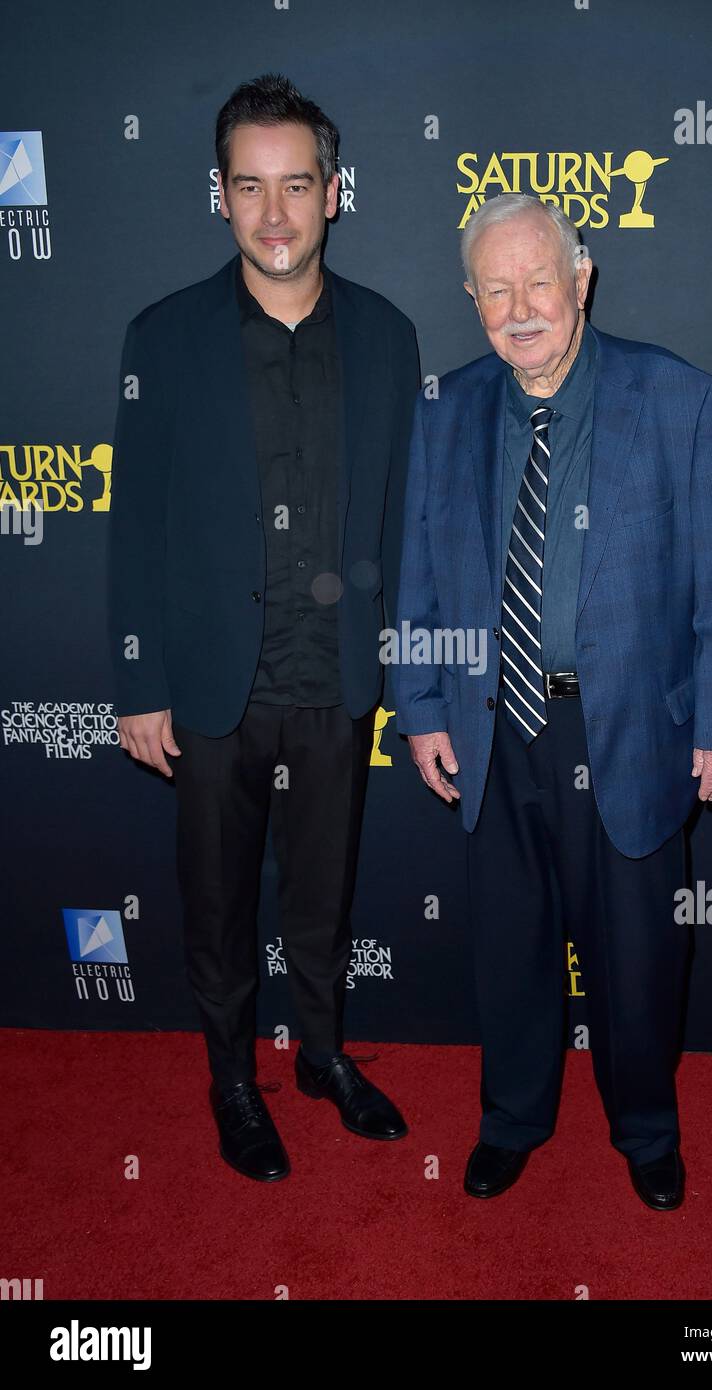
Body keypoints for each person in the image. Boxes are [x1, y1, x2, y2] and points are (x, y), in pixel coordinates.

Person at [394, 193, 712, 1207]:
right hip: (496, 722)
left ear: (581, 280)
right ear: (471, 298)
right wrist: (420, 705)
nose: (520, 309)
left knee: (636, 955)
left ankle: (644, 1129)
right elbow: (419, 569)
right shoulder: (445, 407)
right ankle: (510, 1119)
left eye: (538, 283)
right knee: (509, 946)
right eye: (495, 289)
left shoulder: (677, 397)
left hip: (633, 725)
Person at [108, 73, 419, 1182]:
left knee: (323, 896)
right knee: (217, 904)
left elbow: (404, 518)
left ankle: (323, 1056)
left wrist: (412, 675)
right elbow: (134, 518)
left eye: (297, 185)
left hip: (335, 678)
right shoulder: (164, 337)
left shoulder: (387, 337)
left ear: (334, 193)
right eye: (251, 187)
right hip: (208, 682)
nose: (275, 214)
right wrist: (138, 681)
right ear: (220, 195)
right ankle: (232, 1079)